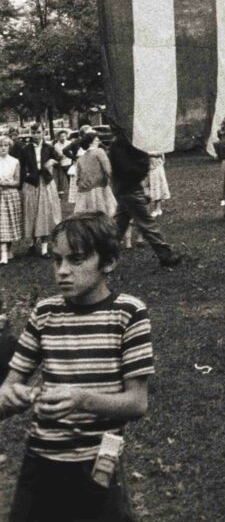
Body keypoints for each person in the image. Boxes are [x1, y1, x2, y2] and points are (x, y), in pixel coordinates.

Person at [0, 213, 153, 521]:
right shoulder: (45, 313)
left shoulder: (128, 314)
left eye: (76, 260)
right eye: (57, 260)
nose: (63, 272)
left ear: (108, 262)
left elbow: (137, 403)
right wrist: (11, 398)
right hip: (41, 464)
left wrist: (82, 399)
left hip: (97, 466)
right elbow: (6, 390)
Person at [108, 130, 181, 267]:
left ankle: (104, 253)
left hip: (127, 188)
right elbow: (130, 169)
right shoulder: (121, 145)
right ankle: (166, 255)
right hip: (129, 188)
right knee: (146, 222)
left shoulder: (122, 144)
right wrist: (142, 166)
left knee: (120, 224)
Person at [19, 124, 61, 258]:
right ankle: (32, 241)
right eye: (33, 132)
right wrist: (25, 176)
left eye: (38, 132)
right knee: (31, 212)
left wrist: (53, 162)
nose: (36, 135)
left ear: (43, 133)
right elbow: (20, 166)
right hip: (31, 183)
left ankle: (44, 248)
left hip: (46, 182)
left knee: (45, 213)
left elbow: (60, 160)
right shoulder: (25, 149)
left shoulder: (49, 147)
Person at [74, 132, 116, 218]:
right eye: (97, 140)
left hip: (84, 190)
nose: (99, 142)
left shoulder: (81, 158)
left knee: (87, 216)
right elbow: (108, 169)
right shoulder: (99, 152)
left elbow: (78, 177)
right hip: (99, 188)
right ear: (91, 142)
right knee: (106, 213)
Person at [0, 136, 22, 266]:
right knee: (2, 223)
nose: (2, 148)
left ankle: (8, 250)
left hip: (11, 194)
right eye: (0, 146)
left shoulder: (15, 161)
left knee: (10, 223)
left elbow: (18, 181)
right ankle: (3, 254)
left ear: (9, 147)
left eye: (5, 146)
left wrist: (8, 183)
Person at [145, 153, 170, 217]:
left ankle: (157, 209)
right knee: (145, 187)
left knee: (156, 186)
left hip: (156, 166)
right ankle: (145, 209)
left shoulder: (157, 144)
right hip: (146, 165)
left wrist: (148, 153)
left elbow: (159, 152)